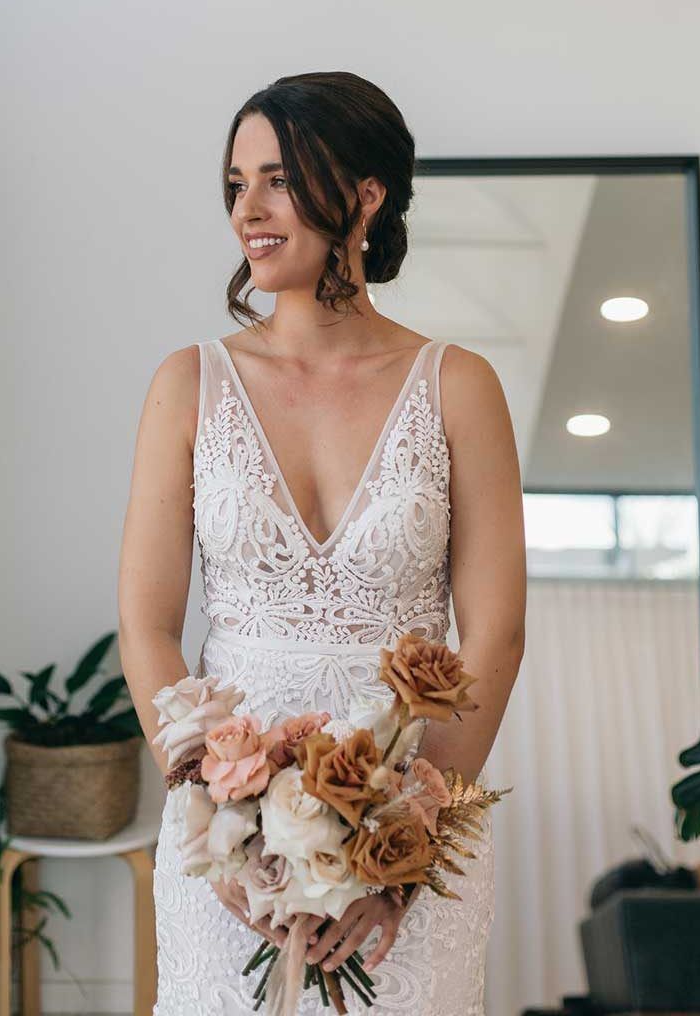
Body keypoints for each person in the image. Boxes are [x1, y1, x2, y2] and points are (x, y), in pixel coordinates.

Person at [118, 70, 526, 1016]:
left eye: (276, 180)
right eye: (234, 183)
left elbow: (494, 638)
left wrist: (403, 852)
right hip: (223, 853)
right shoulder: (189, 384)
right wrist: (214, 821)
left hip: (410, 849)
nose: (245, 211)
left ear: (365, 195)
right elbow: (146, 624)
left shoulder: (458, 385)